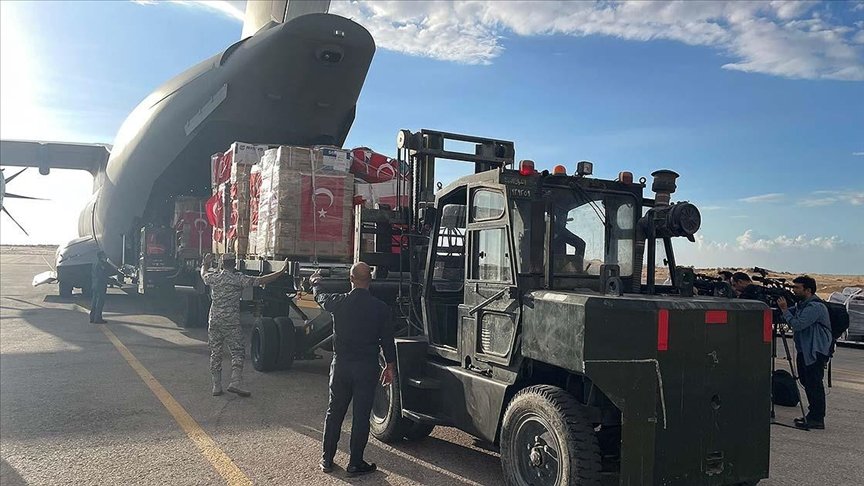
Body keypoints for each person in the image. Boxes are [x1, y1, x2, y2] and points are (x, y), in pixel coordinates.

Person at [310, 262, 395, 477]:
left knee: (334, 411)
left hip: (341, 366)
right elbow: (387, 340)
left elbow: (320, 298)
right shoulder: (380, 308)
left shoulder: (339, 303)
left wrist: (316, 284)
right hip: (366, 367)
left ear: (350, 278)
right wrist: (390, 366)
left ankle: (327, 459)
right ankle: (355, 463)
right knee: (361, 415)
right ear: (371, 280)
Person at [201, 253, 287, 397]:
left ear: (222, 264)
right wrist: (280, 272)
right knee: (237, 351)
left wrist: (205, 263)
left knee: (216, 352)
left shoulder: (214, 277)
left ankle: (216, 385)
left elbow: (203, 275)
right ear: (234, 264)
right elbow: (260, 280)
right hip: (231, 321)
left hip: (214, 320)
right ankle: (235, 382)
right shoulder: (238, 279)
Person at [777, 275, 832, 430]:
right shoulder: (802, 305)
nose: (794, 290)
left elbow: (798, 324)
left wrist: (784, 309)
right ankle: (812, 415)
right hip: (805, 350)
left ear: (808, 290)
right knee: (807, 383)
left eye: (797, 288)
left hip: (815, 350)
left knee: (814, 384)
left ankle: (817, 418)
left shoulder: (815, 307)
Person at [89, 251, 115, 324]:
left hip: (95, 284)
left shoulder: (95, 263)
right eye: (104, 255)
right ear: (101, 256)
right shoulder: (101, 264)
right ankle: (97, 318)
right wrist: (111, 280)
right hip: (100, 285)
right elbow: (102, 276)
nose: (105, 257)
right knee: (99, 302)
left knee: (94, 302)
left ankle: (92, 317)